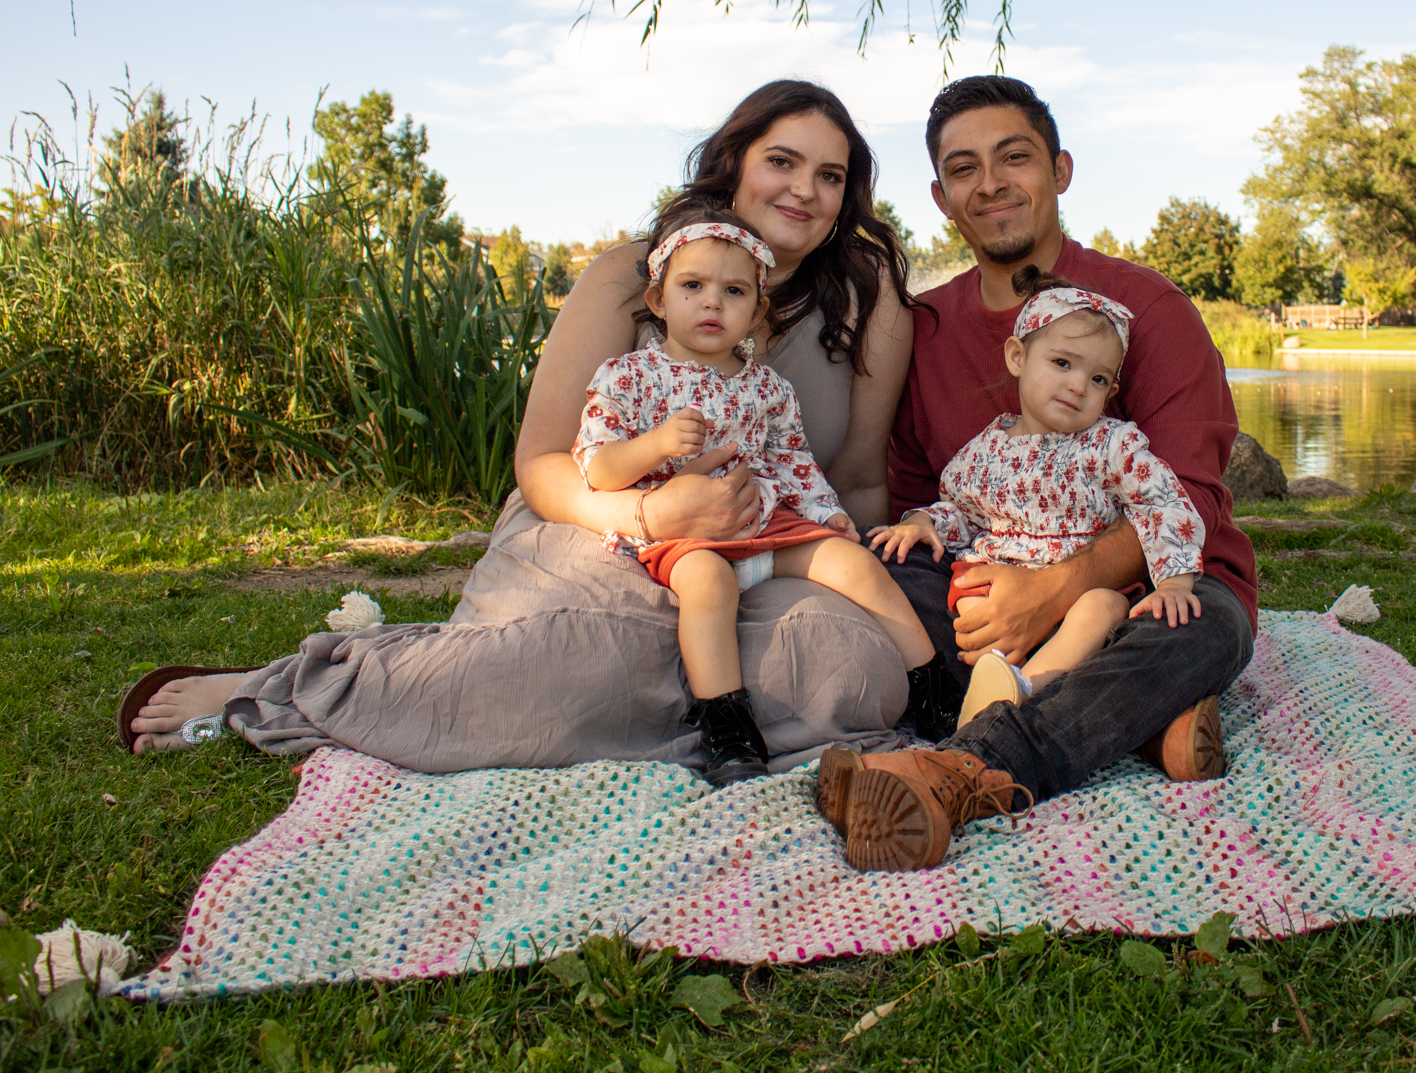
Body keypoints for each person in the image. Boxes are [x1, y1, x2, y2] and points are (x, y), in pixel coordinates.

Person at [121, 81, 928, 774]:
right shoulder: (633, 274)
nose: (805, 190)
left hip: (766, 544)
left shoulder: (868, 297)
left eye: (831, 174)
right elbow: (543, 461)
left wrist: (847, 569)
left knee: (854, 673)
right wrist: (648, 514)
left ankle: (666, 714)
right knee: (586, 658)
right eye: (782, 161)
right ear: (735, 165)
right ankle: (311, 683)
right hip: (600, 525)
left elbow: (855, 479)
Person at [817, 74, 1260, 873]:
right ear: (942, 196)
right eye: (963, 168)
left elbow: (1186, 494)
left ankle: (960, 771)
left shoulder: (1145, 311)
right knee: (884, 579)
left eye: (1013, 156)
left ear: (1059, 169)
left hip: (1151, 588)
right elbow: (931, 494)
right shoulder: (926, 326)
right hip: (991, 584)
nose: (990, 182)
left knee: (1208, 627)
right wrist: (929, 547)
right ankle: (1139, 722)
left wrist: (1056, 590)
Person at [573, 213, 955, 783]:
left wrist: (827, 513)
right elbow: (597, 466)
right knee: (708, 583)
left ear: (755, 313)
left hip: (761, 524)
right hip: (682, 531)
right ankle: (727, 725)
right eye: (692, 286)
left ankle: (933, 688)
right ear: (657, 299)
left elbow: (792, 462)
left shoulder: (767, 388)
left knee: (853, 562)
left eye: (733, 292)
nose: (712, 303)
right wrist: (653, 446)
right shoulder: (629, 377)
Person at [866, 267, 1205, 730]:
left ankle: (1017, 695)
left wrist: (1175, 583)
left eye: (1099, 379)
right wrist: (924, 522)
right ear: (1017, 357)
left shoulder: (1111, 446)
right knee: (928, 581)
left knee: (1106, 608)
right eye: (1062, 364)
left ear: (1112, 392)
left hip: (1077, 593)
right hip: (993, 583)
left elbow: (1164, 502)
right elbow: (963, 514)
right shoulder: (988, 447)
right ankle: (1012, 690)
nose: (1077, 385)